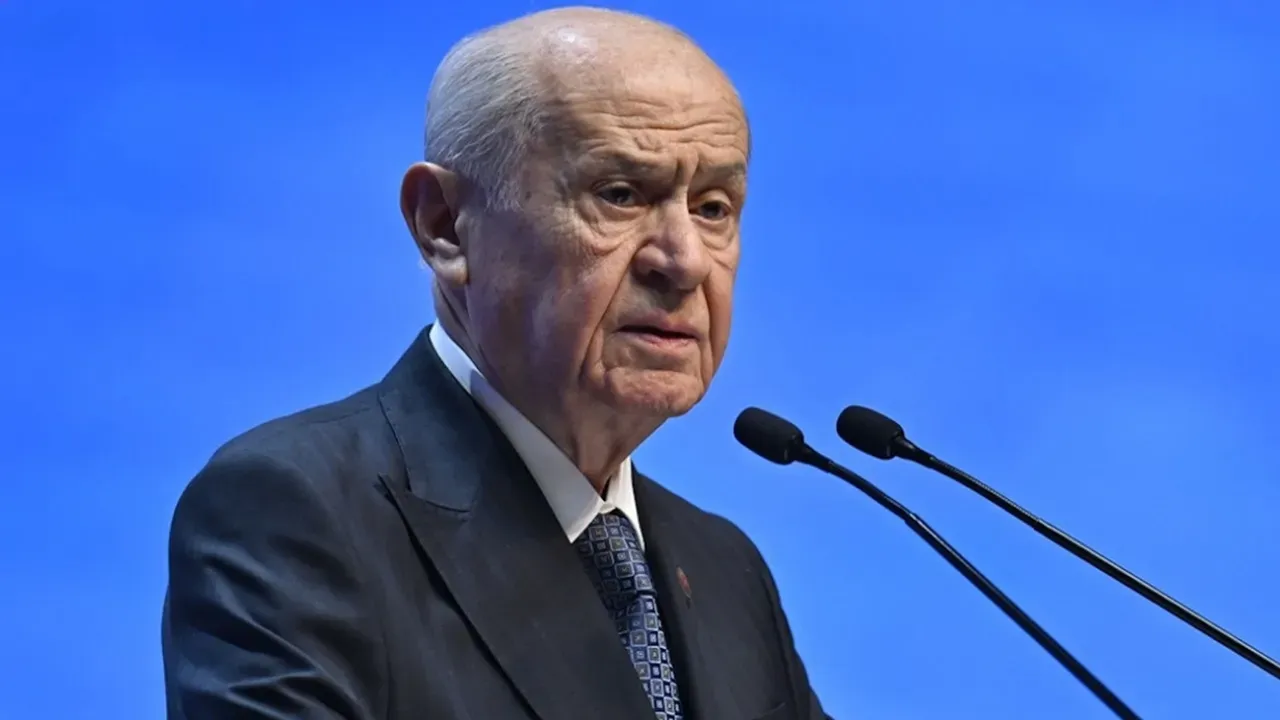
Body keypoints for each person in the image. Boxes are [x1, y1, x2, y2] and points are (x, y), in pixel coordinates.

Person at [162, 7, 830, 720]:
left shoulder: (727, 569)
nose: (685, 260)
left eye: (714, 208)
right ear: (445, 226)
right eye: (620, 195)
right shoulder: (297, 515)